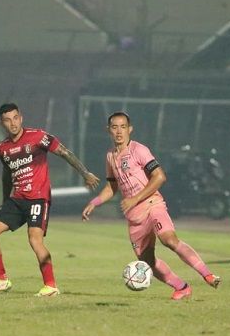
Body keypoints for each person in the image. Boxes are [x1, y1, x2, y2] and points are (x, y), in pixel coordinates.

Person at [81, 111, 221, 300]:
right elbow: (112, 185)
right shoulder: (110, 156)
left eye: (123, 127)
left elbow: (159, 176)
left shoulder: (139, 150)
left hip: (152, 204)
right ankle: (182, 287)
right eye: (114, 127)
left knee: (169, 240)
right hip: (135, 216)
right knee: (147, 261)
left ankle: (208, 275)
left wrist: (134, 198)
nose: (119, 131)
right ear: (109, 130)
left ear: (130, 129)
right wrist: (95, 202)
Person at [0, 103, 99, 297]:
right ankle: (2, 280)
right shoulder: (3, 148)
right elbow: (7, 175)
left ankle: (50, 286)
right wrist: (4, 202)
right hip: (16, 200)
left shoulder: (38, 137)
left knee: (34, 240)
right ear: (1, 123)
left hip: (38, 199)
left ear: (21, 117)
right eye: (7, 120)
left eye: (15, 118)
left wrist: (85, 173)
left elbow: (64, 152)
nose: (13, 123)